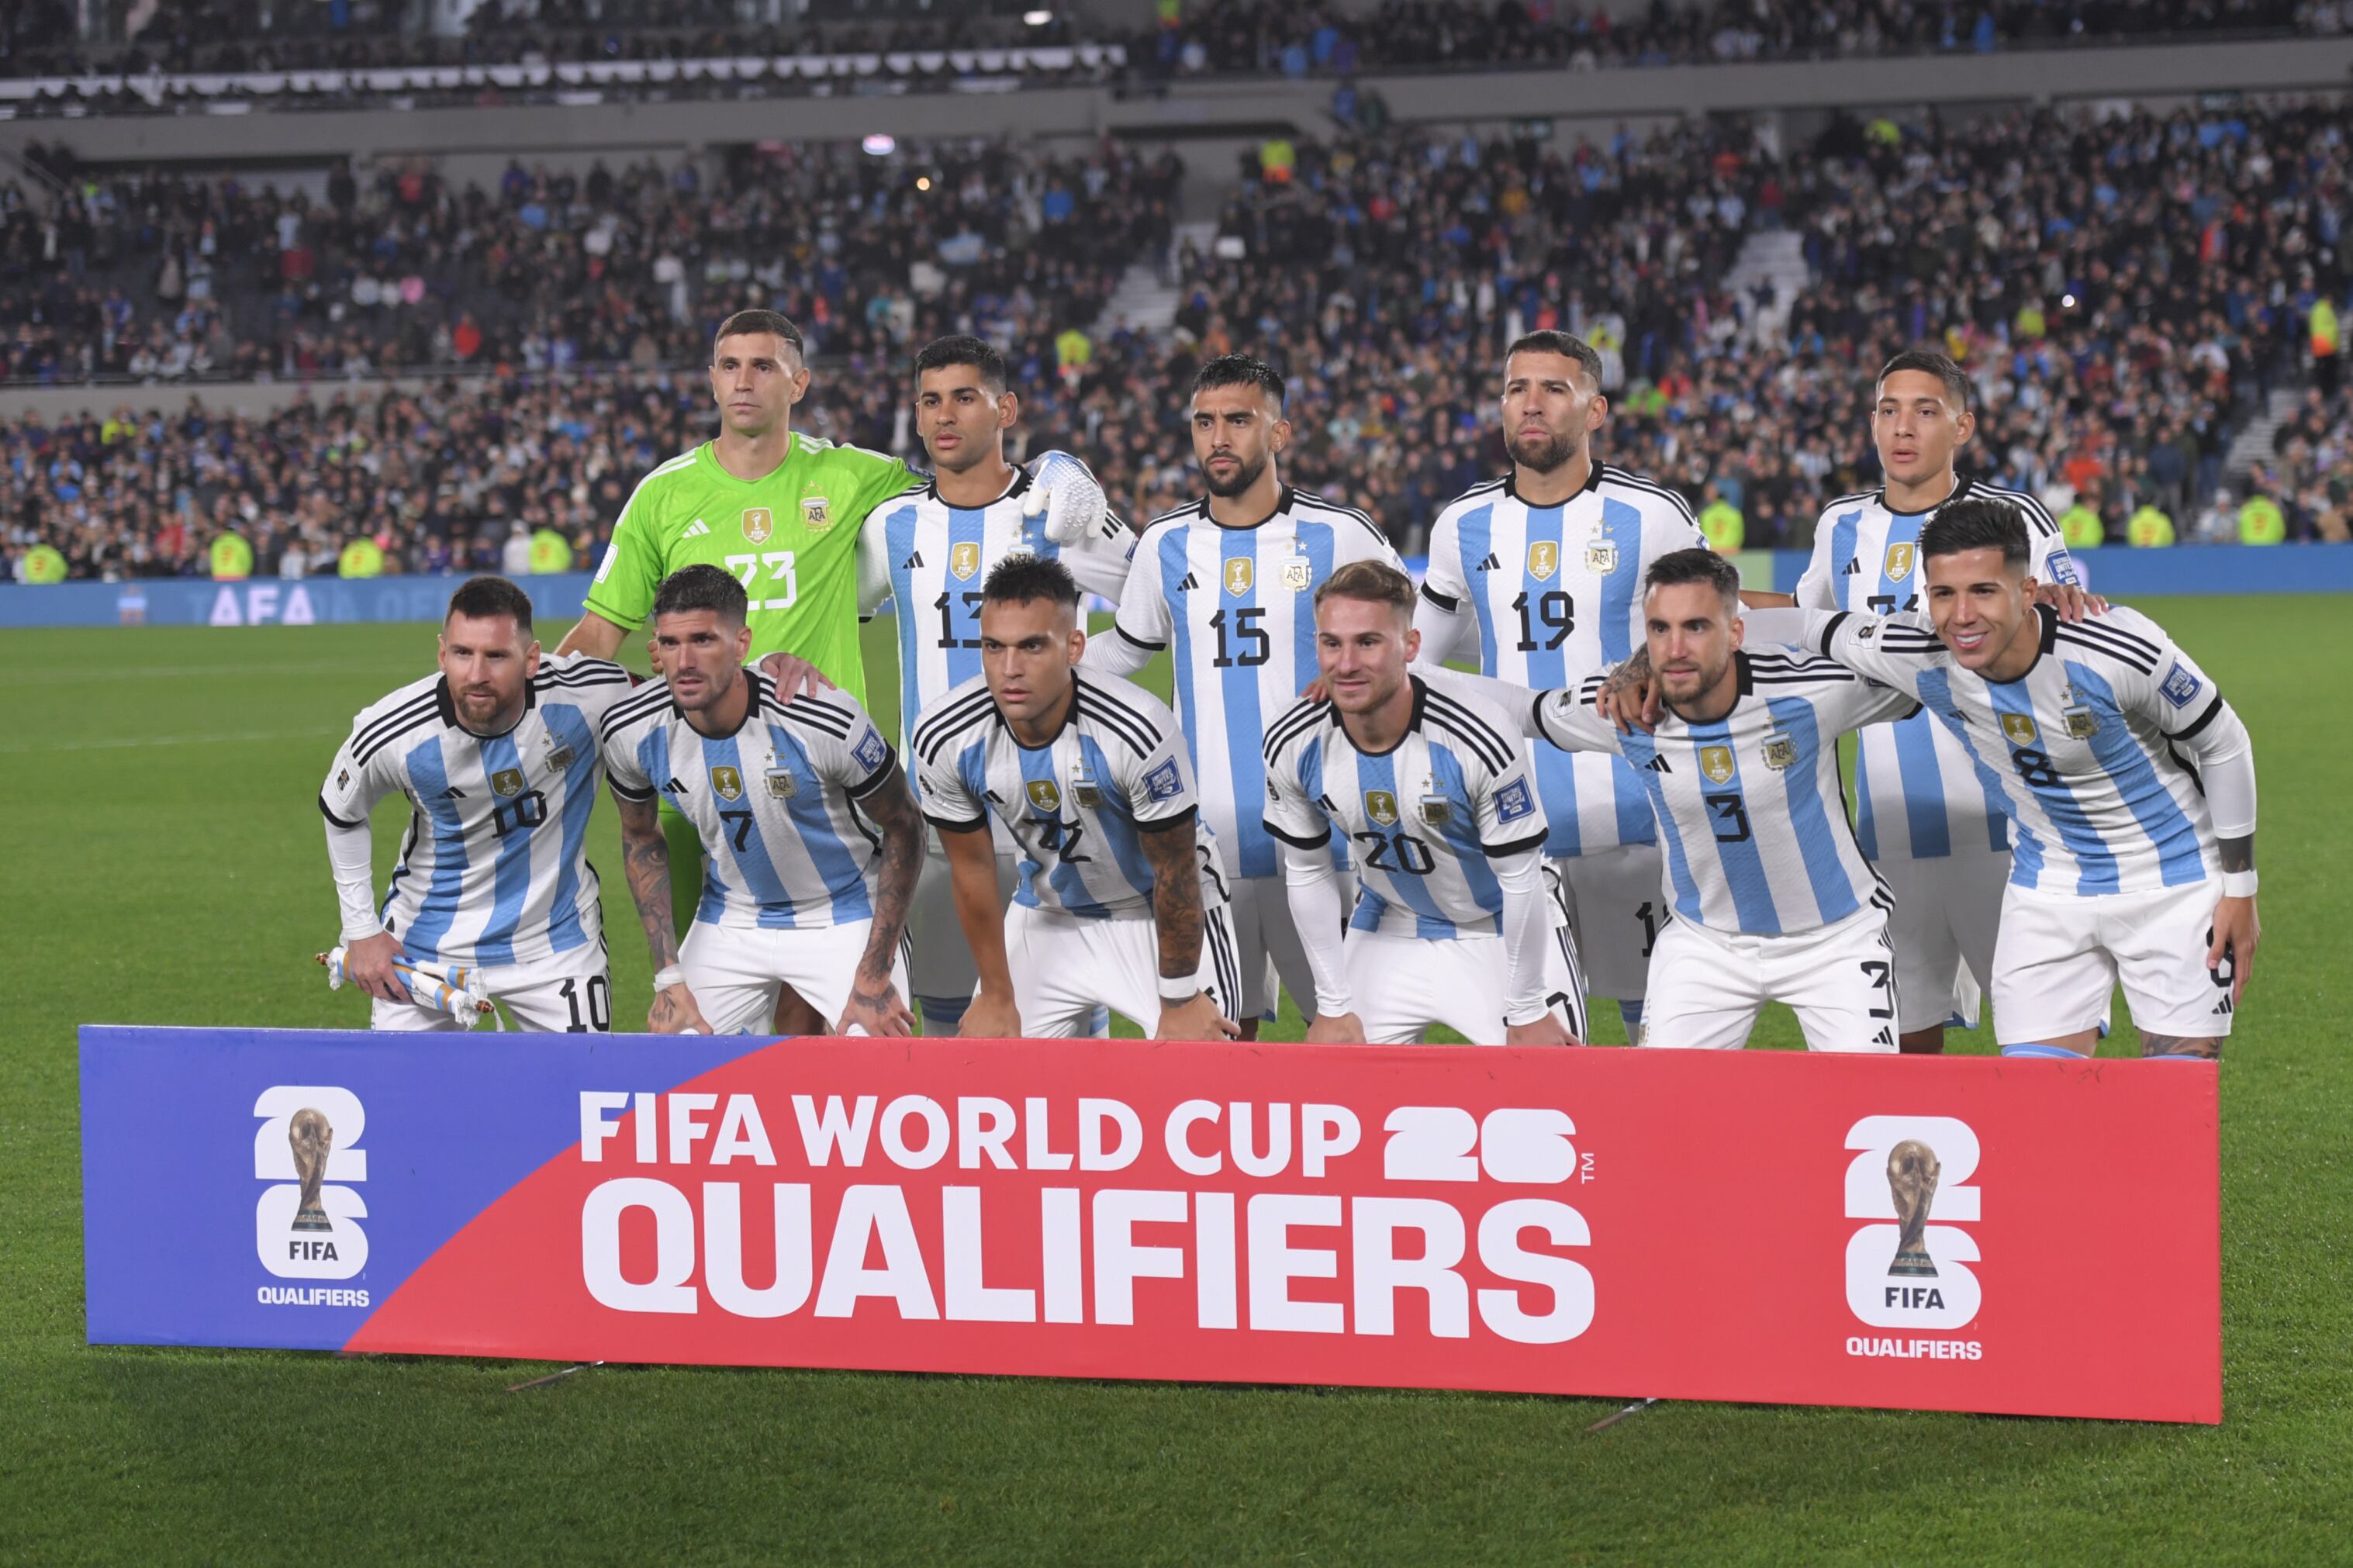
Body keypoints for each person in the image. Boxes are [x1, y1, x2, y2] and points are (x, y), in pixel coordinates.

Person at [555, 309, 1106, 1024]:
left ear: (799, 382)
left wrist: (1057, 465)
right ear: (711, 380)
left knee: (820, 1008)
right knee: (704, 1004)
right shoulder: (662, 495)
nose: (743, 381)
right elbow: (601, 630)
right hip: (697, 777)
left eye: (763, 366)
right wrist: (530, 704)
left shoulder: (856, 480)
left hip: (827, 778)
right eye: (729, 366)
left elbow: (972, 474)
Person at [1776, 499, 2260, 1059]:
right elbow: (1800, 624)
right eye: (1943, 595)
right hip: (2048, 886)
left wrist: (2240, 890)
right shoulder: (1919, 652)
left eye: (1983, 590)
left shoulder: (2114, 644)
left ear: (2028, 591)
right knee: (2038, 1106)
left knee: (2174, 1100)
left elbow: (2224, 743)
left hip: (2172, 879)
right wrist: (1664, 656)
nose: (1962, 616)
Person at [1083, 354, 1404, 1034]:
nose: (1218, 438)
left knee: (1351, 1045)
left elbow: (1407, 647)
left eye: (1238, 420)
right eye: (1204, 422)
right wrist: (1059, 654)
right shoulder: (1166, 543)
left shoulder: (1340, 535)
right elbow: (1125, 654)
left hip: (1326, 844)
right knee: (1219, 1051)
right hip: (1202, 849)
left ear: (1279, 434)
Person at [1417, 330, 1710, 1044]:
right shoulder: (1462, 525)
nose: (1532, 405)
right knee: (1543, 1042)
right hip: (1517, 831)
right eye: (1517, 389)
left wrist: (1649, 658)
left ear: (1596, 409)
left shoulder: (1652, 515)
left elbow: (1709, 626)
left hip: (1640, 820)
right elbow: (1416, 657)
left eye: (1554, 389)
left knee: (1659, 1034)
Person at [1792, 350, 2084, 1054]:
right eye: (1890, 410)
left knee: (2044, 1048)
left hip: (2008, 835)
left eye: (1926, 411)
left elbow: (2071, 615)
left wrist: (2068, 601)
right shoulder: (1841, 525)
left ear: (1963, 427)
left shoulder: (2011, 516)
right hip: (1888, 836)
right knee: (1903, 1050)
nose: (1904, 427)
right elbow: (1803, 627)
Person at [1522, 549, 1919, 1052]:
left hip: (1835, 940)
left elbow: (1925, 666)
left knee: (1866, 1114)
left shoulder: (1811, 689)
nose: (1675, 648)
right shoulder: (1627, 708)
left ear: (1736, 632)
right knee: (1662, 1119)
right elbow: (1528, 712)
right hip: (1704, 944)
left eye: (1696, 627)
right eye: (1659, 630)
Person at [854, 334, 1139, 1034]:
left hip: (1052, 809)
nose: (945, 416)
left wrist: (1077, 670)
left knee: (1066, 1024)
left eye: (965, 398)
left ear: (1004, 408)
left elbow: (1155, 600)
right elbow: (841, 612)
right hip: (933, 814)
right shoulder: (890, 525)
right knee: (956, 1024)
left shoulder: (1057, 511)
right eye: (930, 401)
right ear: (917, 419)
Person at [910, 556, 1239, 1040]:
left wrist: (1183, 996)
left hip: (1158, 910)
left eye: (1032, 647)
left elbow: (1176, 869)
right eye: (993, 647)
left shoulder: (1136, 729)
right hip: (1050, 910)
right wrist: (998, 996)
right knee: (989, 1067)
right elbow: (974, 868)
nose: (1010, 669)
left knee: (1202, 1070)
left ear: (1074, 646)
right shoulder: (945, 736)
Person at [1263, 561, 1584, 1046]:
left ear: (1411, 647)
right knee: (1344, 1097)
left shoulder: (1478, 733)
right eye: (1332, 643)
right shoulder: (1294, 738)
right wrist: (1331, 1006)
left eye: (1368, 642)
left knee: (1556, 1097)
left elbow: (1521, 881)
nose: (1345, 664)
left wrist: (1525, 1007)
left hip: (1499, 927)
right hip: (1389, 922)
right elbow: (1307, 871)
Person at [598, 565, 924, 1037]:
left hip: (845, 908)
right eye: (670, 643)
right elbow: (640, 836)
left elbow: (905, 825)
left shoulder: (819, 716)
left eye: (704, 640)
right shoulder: (632, 730)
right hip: (733, 915)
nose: (684, 661)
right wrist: (669, 976)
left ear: (743, 644)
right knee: (675, 1053)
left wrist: (874, 971)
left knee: (876, 1053)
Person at [318, 576, 637, 1031]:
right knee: (406, 1100)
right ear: (442, 653)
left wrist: (772, 666)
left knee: (577, 1093)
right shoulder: (393, 729)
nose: (476, 674)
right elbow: (341, 812)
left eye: (496, 656)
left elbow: (688, 696)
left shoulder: (590, 694)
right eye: (462, 654)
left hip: (557, 946)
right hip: (425, 950)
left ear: (531, 660)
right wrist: (361, 931)